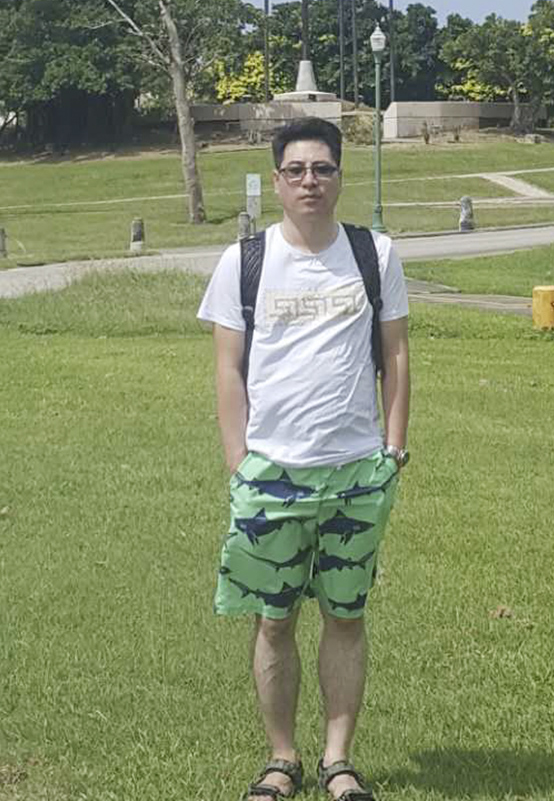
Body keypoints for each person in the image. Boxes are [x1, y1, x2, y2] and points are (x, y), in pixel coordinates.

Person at [197, 117, 410, 801]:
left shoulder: (374, 254)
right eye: (296, 170)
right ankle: (281, 759)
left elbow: (395, 353)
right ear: (277, 180)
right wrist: (239, 460)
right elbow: (228, 368)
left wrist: (393, 449)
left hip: (356, 472)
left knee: (346, 617)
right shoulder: (245, 261)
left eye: (322, 168)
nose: (309, 181)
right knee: (274, 618)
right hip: (271, 474)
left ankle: (338, 762)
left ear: (340, 176)